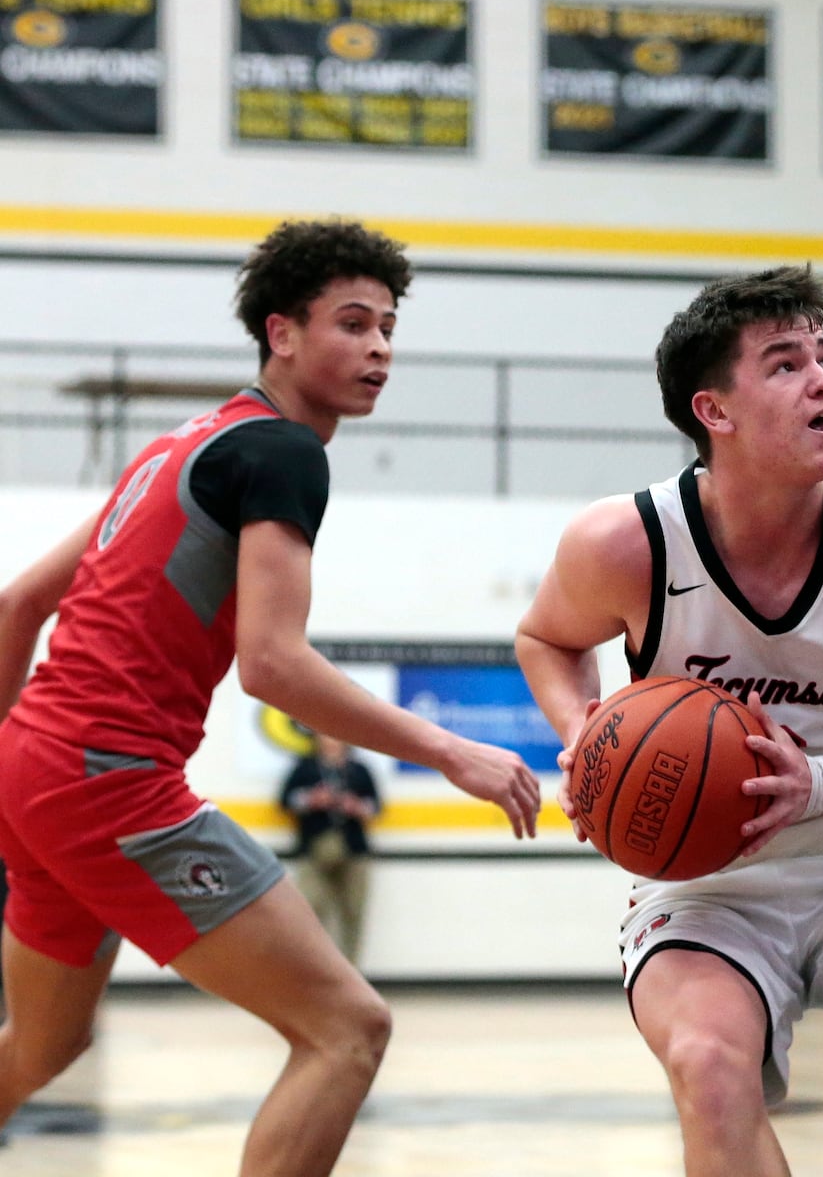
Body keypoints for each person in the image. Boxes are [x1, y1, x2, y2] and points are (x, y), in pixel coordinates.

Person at [0, 219, 542, 1177]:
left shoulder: (177, 446)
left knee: (44, 1047)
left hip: (33, 765)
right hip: (106, 778)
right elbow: (274, 666)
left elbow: (20, 603)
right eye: (351, 323)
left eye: (386, 328)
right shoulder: (284, 452)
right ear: (281, 334)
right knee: (348, 1029)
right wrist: (452, 750)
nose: (378, 347)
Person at [515, 264, 823, 1177]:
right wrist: (583, 731)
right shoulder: (624, 543)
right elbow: (545, 639)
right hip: (705, 887)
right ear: (716, 411)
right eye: (786, 364)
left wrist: (819, 784)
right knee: (708, 1067)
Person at [279, 731, 381, 963]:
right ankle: (315, 970)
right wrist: (311, 800)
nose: (331, 741)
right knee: (311, 909)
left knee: (353, 911)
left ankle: (351, 971)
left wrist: (356, 806)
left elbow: (375, 806)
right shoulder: (305, 768)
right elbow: (285, 801)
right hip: (314, 848)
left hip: (353, 849)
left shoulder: (359, 770)